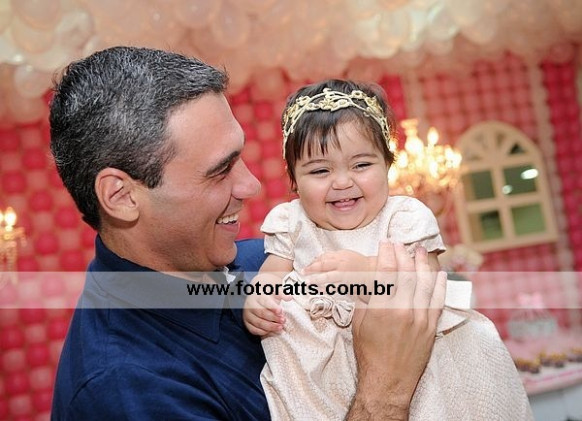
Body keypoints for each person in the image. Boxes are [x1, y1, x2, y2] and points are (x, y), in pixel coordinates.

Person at [49, 46, 447, 420]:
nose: (251, 185)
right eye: (220, 170)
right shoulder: (124, 387)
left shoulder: (268, 261)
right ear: (121, 197)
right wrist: (385, 392)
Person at [243, 79, 533, 420]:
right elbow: (272, 274)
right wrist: (258, 298)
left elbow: (429, 282)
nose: (342, 181)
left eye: (361, 165)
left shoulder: (403, 216)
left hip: (416, 364)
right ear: (294, 179)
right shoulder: (292, 222)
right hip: (321, 372)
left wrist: (367, 272)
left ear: (387, 165)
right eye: (320, 170)